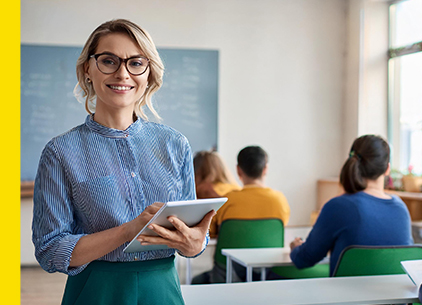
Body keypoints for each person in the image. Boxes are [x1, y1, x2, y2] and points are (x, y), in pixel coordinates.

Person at [32, 19, 215, 305]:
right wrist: (130, 230)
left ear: (148, 73)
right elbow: (49, 250)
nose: (122, 73)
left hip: (163, 289)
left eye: (135, 63)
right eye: (109, 61)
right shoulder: (60, 152)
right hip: (96, 291)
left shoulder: (175, 144)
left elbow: (192, 237)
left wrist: (195, 244)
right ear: (87, 70)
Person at [290, 135, 413, 276]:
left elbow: (304, 259)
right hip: (395, 297)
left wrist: (295, 248)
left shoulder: (338, 206)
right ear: (387, 169)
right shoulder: (401, 209)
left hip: (346, 297)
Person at [192, 145, 291, 283]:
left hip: (228, 272)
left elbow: (210, 230)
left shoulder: (228, 200)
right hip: (267, 271)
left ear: (238, 170)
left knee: (197, 280)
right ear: (265, 169)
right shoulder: (280, 200)